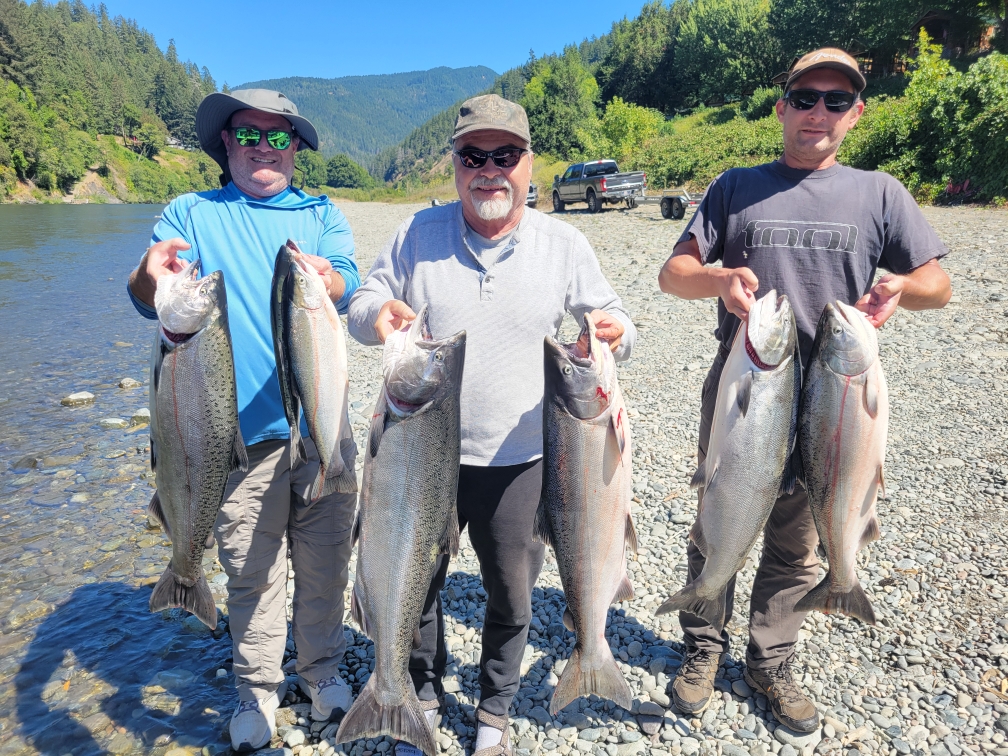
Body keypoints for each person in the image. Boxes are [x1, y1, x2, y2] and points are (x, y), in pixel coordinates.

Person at [657, 48, 952, 733]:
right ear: (782, 105)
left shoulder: (880, 192)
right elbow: (675, 273)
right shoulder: (735, 185)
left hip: (835, 398)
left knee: (798, 541)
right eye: (806, 96)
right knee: (720, 519)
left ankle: (771, 658)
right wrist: (718, 281)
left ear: (856, 113)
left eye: (836, 100)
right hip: (747, 385)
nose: (819, 111)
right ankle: (702, 648)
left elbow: (938, 284)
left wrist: (905, 287)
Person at [347, 94, 636, 756]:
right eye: (474, 156)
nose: (490, 170)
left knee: (512, 595)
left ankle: (494, 714)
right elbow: (361, 304)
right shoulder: (417, 236)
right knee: (415, 585)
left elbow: (618, 321)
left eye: (505, 156)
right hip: (424, 459)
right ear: (455, 164)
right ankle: (417, 693)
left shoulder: (564, 243)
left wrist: (619, 333)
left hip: (526, 461)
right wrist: (379, 315)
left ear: (529, 164)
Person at [126, 88, 361, 752]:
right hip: (230, 442)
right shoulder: (191, 214)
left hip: (323, 430)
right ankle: (256, 690)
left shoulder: (320, 214)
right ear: (224, 144)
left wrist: (328, 280)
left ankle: (320, 672)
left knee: (325, 564)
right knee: (253, 573)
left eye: (279, 137)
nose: (264, 148)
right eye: (248, 135)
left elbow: (344, 278)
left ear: (296, 149)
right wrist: (149, 276)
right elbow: (151, 297)